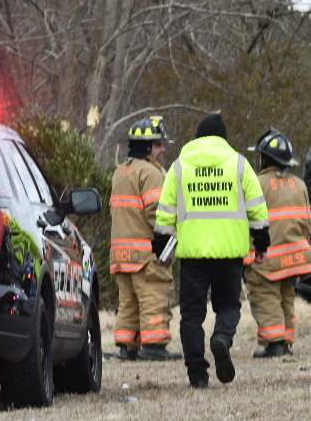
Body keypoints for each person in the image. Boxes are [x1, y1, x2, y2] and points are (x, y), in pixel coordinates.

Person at [152, 113, 271, 388]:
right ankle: (221, 338)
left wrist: (162, 250)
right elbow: (258, 210)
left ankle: (197, 375)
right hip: (230, 253)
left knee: (192, 316)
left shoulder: (179, 167)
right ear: (223, 138)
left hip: (192, 256)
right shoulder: (239, 164)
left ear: (197, 137)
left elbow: (165, 214)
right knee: (228, 306)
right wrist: (261, 244)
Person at [108, 117, 180, 360]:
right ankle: (154, 345)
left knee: (128, 301)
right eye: (159, 145)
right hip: (146, 253)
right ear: (148, 147)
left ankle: (127, 346)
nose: (163, 149)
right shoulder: (151, 173)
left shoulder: (121, 171)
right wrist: (168, 249)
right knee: (154, 296)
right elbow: (159, 214)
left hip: (121, 254)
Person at [243, 128, 311, 358]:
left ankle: (274, 343)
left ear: (265, 158)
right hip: (295, 257)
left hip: (265, 259)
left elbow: (247, 222)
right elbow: (309, 224)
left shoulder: (255, 183)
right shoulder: (299, 185)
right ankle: (286, 341)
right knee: (287, 298)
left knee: (266, 299)